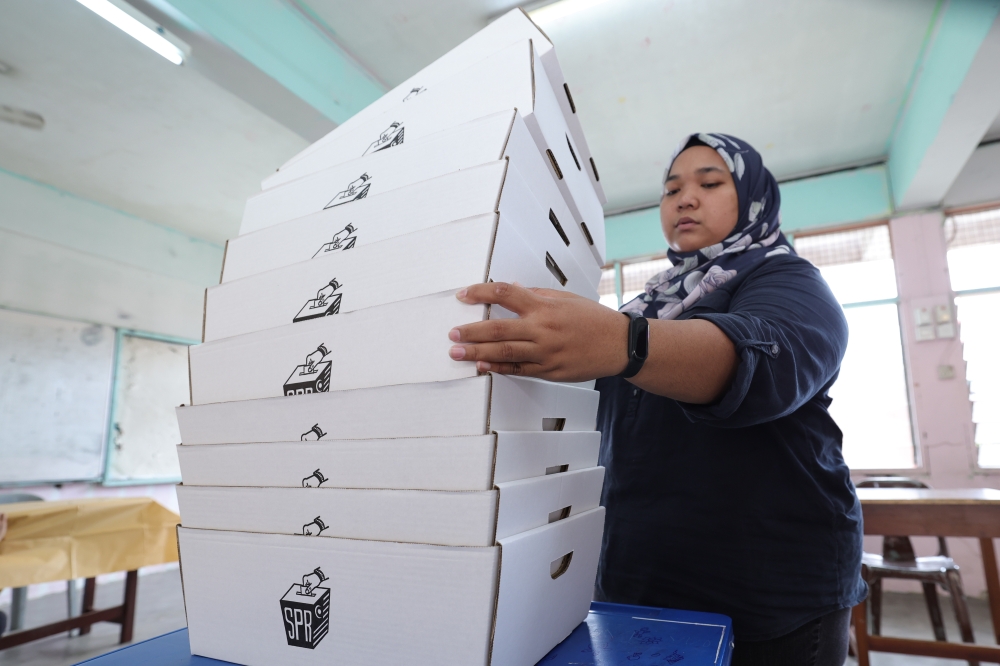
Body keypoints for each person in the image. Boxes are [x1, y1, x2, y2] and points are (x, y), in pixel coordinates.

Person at [447, 133, 866, 665]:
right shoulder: (653, 304)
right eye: (671, 189)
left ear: (756, 198)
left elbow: (767, 364)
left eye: (710, 183)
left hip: (769, 582)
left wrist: (625, 342)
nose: (684, 199)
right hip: (639, 574)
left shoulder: (787, 279)